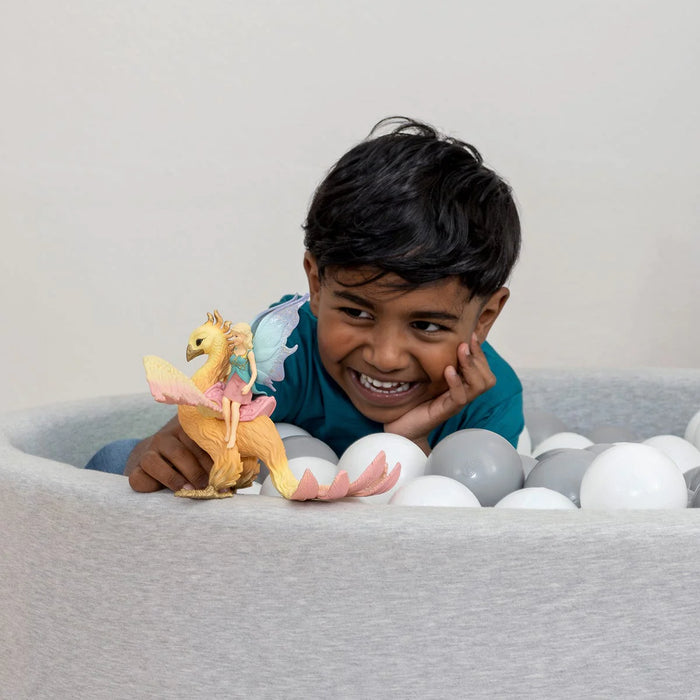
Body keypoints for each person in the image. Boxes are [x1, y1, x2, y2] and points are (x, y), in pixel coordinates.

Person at [86, 116, 523, 493]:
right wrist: (156, 459)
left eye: (427, 326)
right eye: (357, 313)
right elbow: (178, 448)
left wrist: (408, 440)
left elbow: (454, 539)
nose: (385, 357)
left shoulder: (491, 401)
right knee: (115, 458)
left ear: (484, 318)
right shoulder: (279, 351)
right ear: (316, 283)